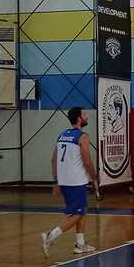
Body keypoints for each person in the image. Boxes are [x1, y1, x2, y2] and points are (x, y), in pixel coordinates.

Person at [41, 107, 100, 258]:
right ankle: (50, 236)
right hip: (76, 180)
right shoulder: (83, 136)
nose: (87, 116)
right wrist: (94, 178)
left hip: (65, 180)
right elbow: (87, 161)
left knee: (82, 210)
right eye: (84, 114)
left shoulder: (62, 135)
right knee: (77, 214)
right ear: (79, 118)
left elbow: (53, 160)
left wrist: (56, 181)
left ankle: (80, 244)